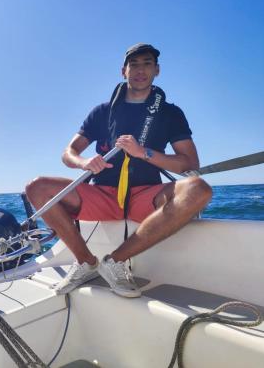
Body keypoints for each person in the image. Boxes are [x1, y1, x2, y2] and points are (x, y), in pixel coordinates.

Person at [25, 43, 212, 298]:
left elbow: (189, 163)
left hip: (145, 195)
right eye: (133, 65)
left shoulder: (170, 113)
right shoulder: (102, 112)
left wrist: (143, 152)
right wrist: (85, 162)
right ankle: (85, 262)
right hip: (102, 194)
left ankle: (114, 262)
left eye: (147, 63)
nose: (140, 70)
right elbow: (68, 153)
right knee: (36, 187)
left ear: (157, 70)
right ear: (123, 71)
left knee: (198, 189)